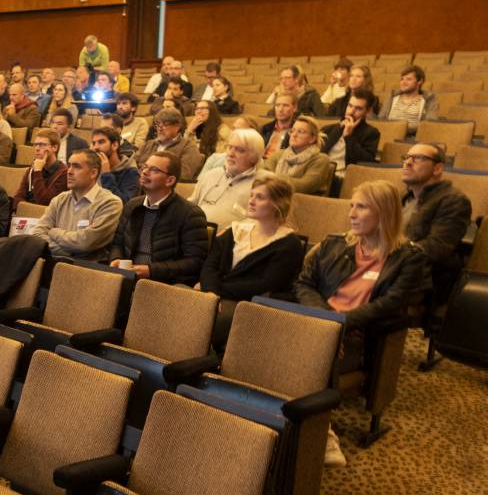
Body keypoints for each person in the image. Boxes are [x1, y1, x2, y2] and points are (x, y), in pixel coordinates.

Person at [295, 179, 428, 340]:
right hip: (317, 323)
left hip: (356, 334)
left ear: (384, 213)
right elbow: (305, 283)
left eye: (362, 207)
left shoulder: (409, 258)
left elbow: (388, 305)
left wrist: (340, 323)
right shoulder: (334, 244)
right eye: (352, 206)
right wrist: (324, 317)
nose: (351, 214)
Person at [199, 172, 305, 349]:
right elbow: (210, 265)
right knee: (176, 299)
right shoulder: (236, 230)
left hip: (250, 305)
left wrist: (216, 290)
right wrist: (210, 292)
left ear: (278, 204)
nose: (251, 201)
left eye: (260, 197)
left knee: (203, 321)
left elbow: (265, 284)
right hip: (215, 296)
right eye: (251, 195)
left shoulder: (289, 243)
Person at [110, 151, 209, 285]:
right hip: (128, 277)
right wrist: (116, 259)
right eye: (145, 167)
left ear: (170, 180)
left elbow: (194, 262)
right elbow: (118, 243)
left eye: (154, 170)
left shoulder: (190, 213)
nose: (145, 172)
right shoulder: (132, 205)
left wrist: (151, 270)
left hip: (165, 283)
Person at [400, 143, 473, 300]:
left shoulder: (454, 200)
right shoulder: (404, 198)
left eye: (418, 158)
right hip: (390, 269)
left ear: (437, 169)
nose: (408, 162)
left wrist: (392, 253)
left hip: (423, 278)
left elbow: (437, 248)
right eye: (406, 157)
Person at [31, 149, 123, 261]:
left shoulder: (110, 203)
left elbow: (85, 243)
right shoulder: (60, 199)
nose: (69, 171)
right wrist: (72, 254)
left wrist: (53, 232)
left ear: (93, 173)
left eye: (76, 166)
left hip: (88, 271)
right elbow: (37, 234)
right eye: (69, 165)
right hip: (54, 262)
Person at [190, 129, 264, 230]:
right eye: (230, 147)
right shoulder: (211, 174)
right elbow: (190, 205)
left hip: (232, 241)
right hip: (194, 234)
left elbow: (262, 223)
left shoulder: (264, 183)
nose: (230, 154)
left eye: (239, 150)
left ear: (254, 157)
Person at [263, 116, 332, 196]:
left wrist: (274, 178)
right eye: (292, 131)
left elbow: (305, 186)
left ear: (312, 138)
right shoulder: (279, 154)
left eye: (301, 132)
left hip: (304, 204)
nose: (294, 135)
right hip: (272, 197)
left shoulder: (320, 159)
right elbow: (262, 176)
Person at [321, 89, 380, 181]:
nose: (351, 112)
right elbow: (319, 152)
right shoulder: (329, 129)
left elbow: (366, 162)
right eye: (350, 106)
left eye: (358, 108)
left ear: (367, 111)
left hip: (345, 177)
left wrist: (348, 137)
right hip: (321, 171)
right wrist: (339, 129)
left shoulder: (371, 133)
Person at [136, 109, 204, 181]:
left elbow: (184, 175)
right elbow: (133, 166)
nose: (160, 129)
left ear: (177, 126)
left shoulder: (188, 147)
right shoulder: (148, 144)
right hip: (139, 184)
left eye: (165, 124)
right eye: (158, 125)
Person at [14, 129, 68, 208]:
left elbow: (44, 202)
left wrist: (38, 172)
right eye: (35, 144)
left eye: (42, 145)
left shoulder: (64, 173)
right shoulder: (32, 169)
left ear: (55, 147)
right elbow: (18, 197)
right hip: (27, 214)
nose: (37, 148)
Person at [379, 65, 439, 135]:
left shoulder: (428, 100)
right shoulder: (393, 97)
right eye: (402, 79)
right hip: (388, 134)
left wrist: (400, 129)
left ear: (420, 81)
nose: (403, 82)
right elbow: (381, 120)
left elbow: (429, 125)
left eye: (408, 79)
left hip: (412, 139)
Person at [92, 127, 139, 204]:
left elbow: (123, 203)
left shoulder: (131, 172)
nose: (96, 147)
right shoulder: (93, 168)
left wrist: (106, 175)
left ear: (114, 145)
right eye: (94, 143)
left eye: (101, 142)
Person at [260, 93, 296, 159]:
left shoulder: (296, 131)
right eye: (277, 105)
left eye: (285, 105)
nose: (280, 109)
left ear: (294, 108)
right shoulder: (265, 128)